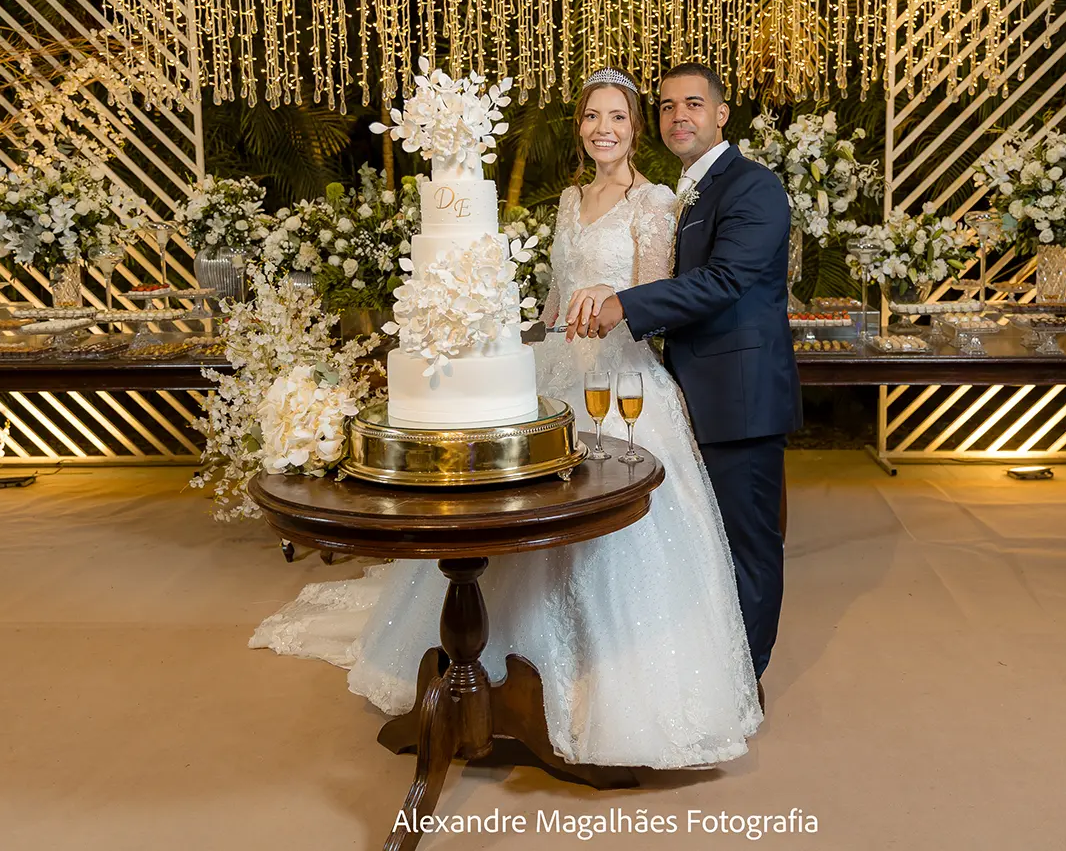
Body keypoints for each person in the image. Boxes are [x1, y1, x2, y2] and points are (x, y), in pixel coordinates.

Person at [250, 67, 761, 770]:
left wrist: (610, 305)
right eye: (592, 116)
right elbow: (554, 296)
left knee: (606, 523)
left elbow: (655, 297)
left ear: (635, 128)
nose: (604, 129)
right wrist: (508, 347)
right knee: (518, 514)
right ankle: (497, 663)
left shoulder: (654, 200)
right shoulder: (570, 199)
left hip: (619, 377)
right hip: (553, 372)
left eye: (617, 117)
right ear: (580, 128)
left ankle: (590, 690)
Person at [565, 61, 800, 685]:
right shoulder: (693, 189)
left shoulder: (753, 186)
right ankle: (716, 670)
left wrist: (622, 304)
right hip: (691, 390)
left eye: (693, 104)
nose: (679, 116)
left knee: (748, 546)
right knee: (707, 545)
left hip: (742, 397)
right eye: (668, 106)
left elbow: (723, 281)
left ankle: (744, 683)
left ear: (721, 113)